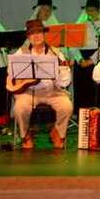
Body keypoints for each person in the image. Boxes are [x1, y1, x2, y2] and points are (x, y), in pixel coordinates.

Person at [11, 20, 73, 149]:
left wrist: (60, 73)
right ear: (28, 37)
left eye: (39, 32)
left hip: (52, 90)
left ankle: (58, 132)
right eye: (32, 34)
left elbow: (66, 82)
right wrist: (22, 80)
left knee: (66, 106)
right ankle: (25, 135)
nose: (36, 36)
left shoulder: (56, 53)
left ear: (44, 34)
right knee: (20, 108)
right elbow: (11, 73)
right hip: (27, 91)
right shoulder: (21, 52)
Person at [71, 0, 100, 110]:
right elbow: (72, 44)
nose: (90, 13)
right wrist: (80, 59)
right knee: (82, 89)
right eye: (88, 10)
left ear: (98, 11)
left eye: (93, 10)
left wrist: (91, 61)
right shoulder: (80, 24)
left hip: (97, 59)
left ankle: (98, 116)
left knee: (98, 90)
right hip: (82, 61)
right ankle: (81, 118)